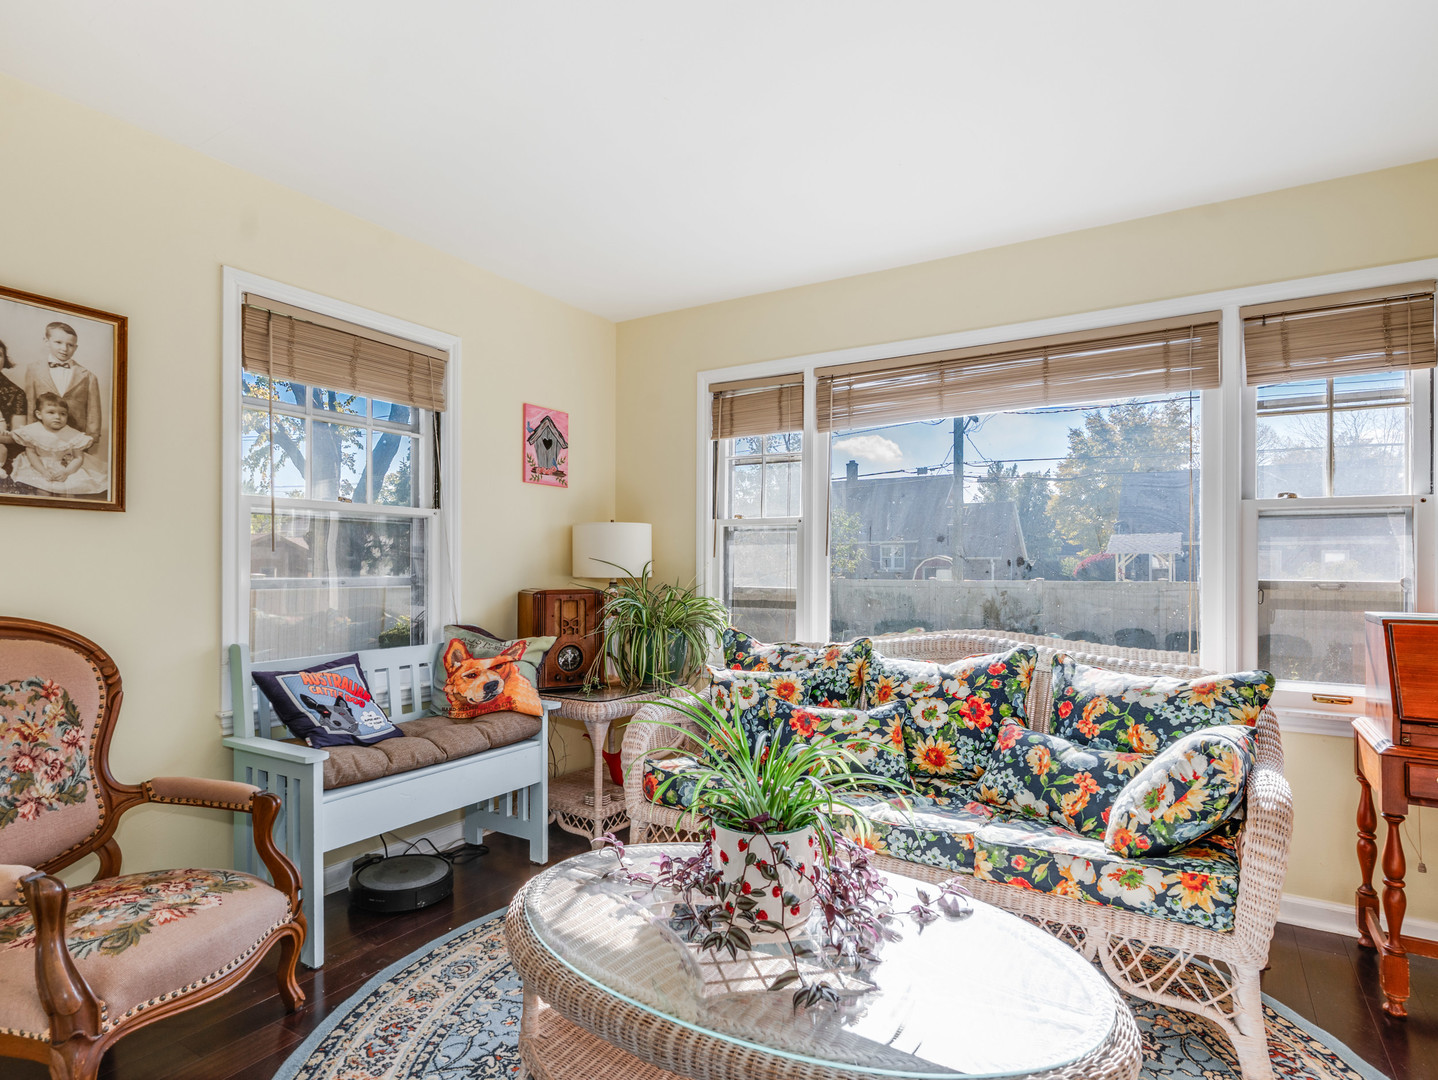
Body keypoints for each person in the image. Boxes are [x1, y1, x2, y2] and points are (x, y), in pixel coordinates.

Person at [20, 321, 102, 446]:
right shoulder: (33, 370)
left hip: (76, 437)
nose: (64, 348)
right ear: (46, 341)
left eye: (70, 345)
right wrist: (31, 433)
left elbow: (93, 411)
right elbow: (30, 402)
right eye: (58, 342)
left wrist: (91, 437)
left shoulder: (88, 376)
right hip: (42, 436)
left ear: (76, 347)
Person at [9, 392, 108, 495]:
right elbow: (31, 453)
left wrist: (66, 472)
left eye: (62, 414)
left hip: (67, 466)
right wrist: (43, 471)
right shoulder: (32, 431)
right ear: (39, 414)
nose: (57, 417)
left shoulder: (73, 434)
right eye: (51, 412)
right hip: (38, 465)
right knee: (42, 489)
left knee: (69, 490)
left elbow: (78, 458)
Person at [0, 339, 26, 475]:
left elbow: (17, 436)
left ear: (4, 359)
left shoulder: (16, 393)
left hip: (4, 452)